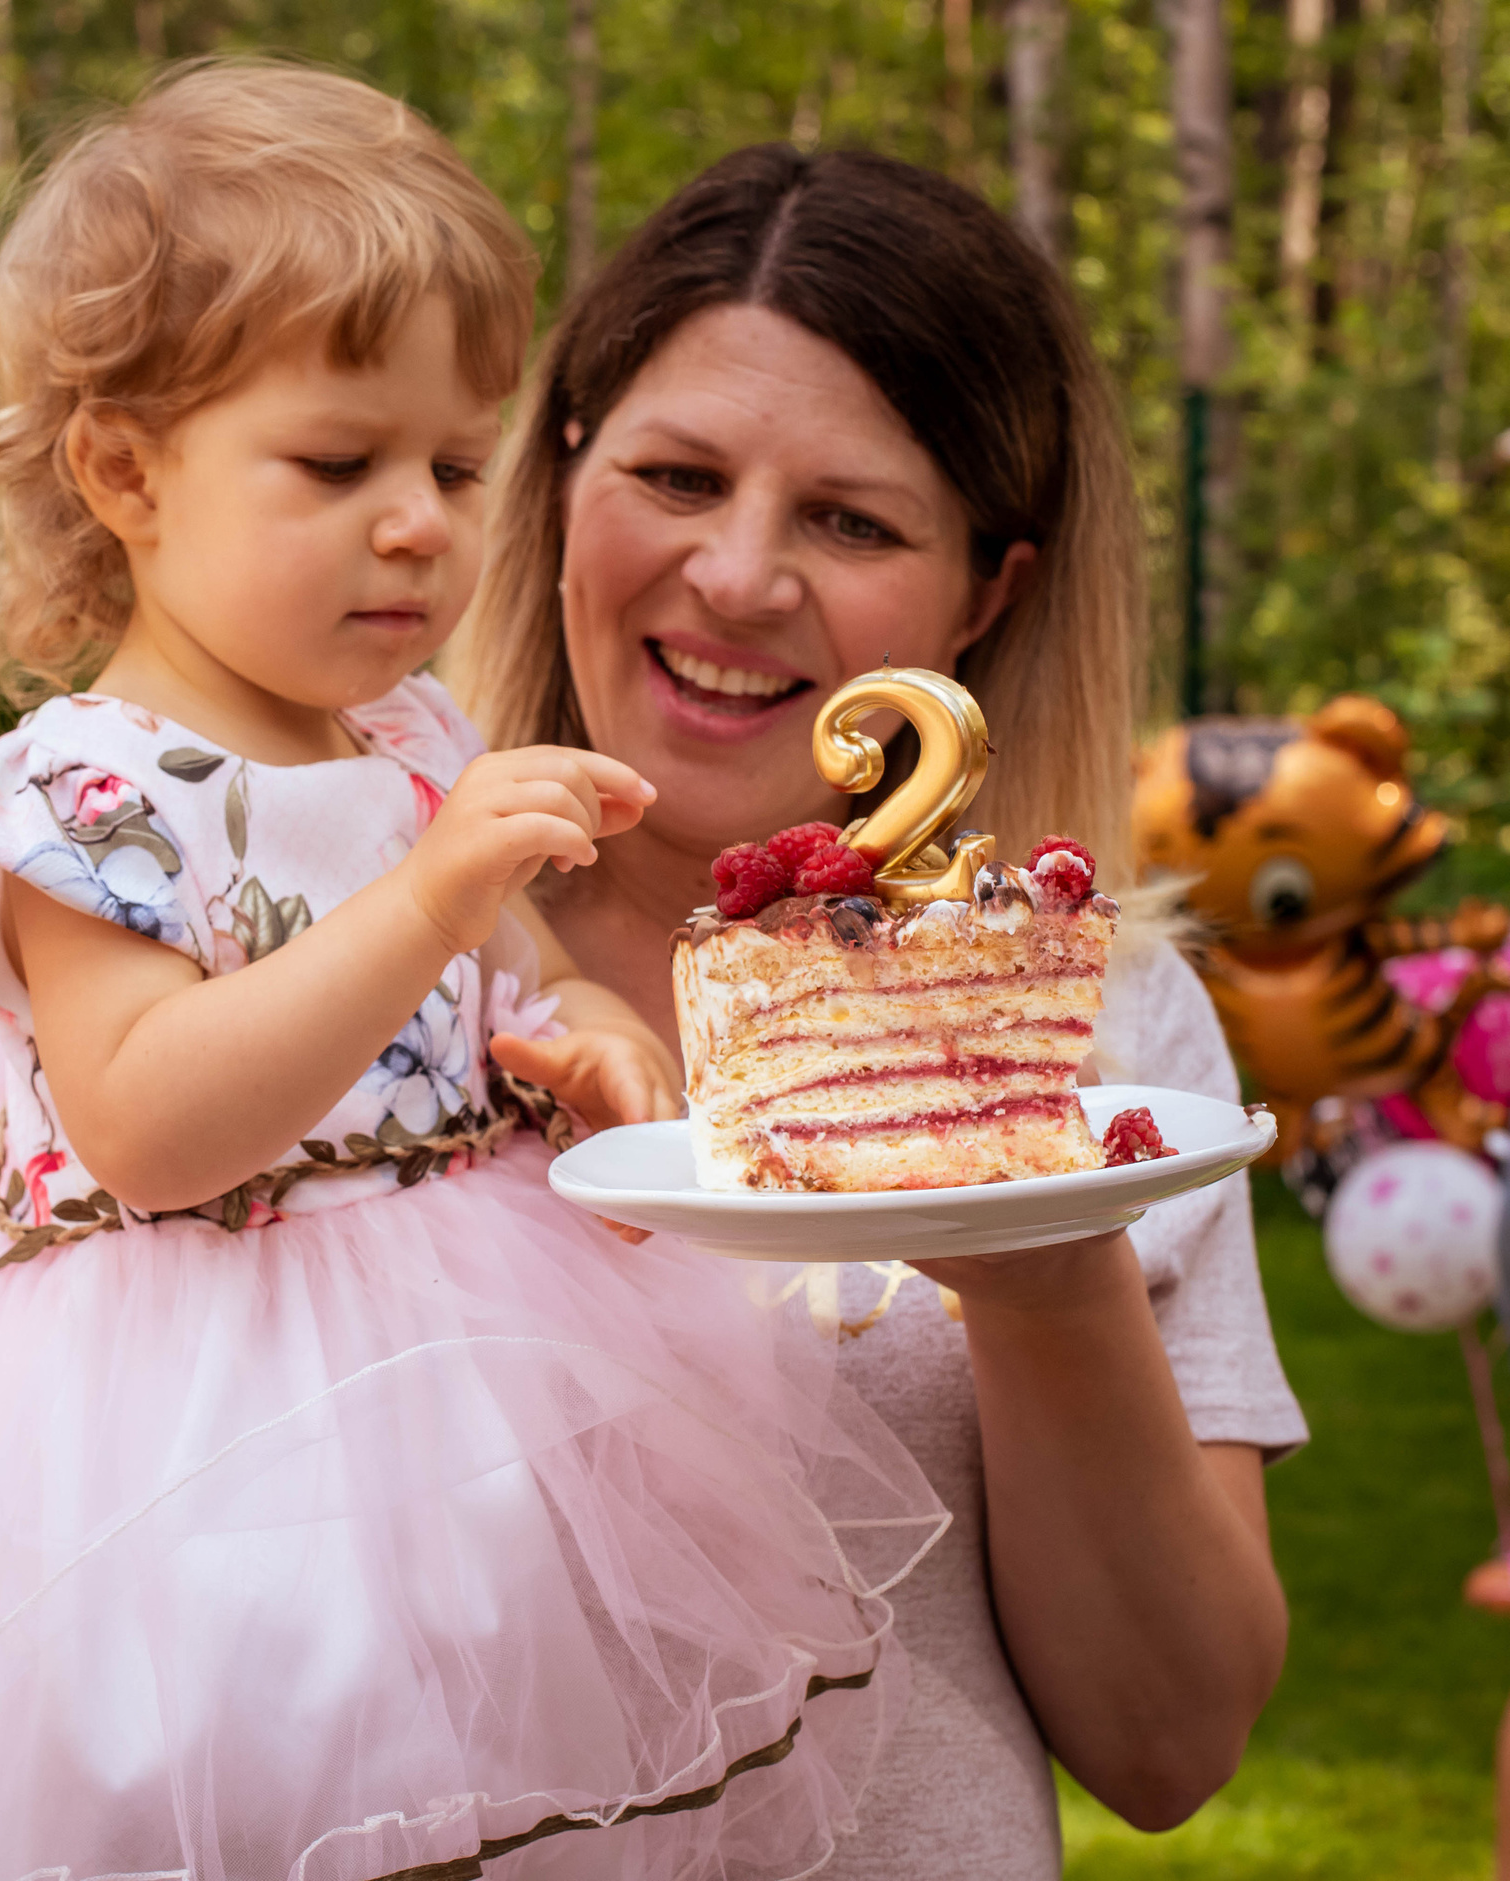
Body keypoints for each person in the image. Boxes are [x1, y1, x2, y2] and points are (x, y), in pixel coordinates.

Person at [0, 68, 949, 1881]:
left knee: (443, 1778)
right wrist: (429, 896)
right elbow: (149, 1125)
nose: (418, 523)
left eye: (456, 468)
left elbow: (516, 976)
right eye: (339, 465)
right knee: (193, 1795)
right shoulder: (81, 797)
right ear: (127, 472)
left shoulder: (407, 732)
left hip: (454, 1382)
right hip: (165, 1430)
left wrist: (587, 1036)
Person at [463, 144, 1309, 1880]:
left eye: (852, 520)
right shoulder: (329, 944)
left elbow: (1167, 1745)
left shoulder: (1095, 1026)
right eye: (677, 475)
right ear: (558, 478)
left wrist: (1042, 1263)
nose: (737, 576)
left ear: (988, 593)